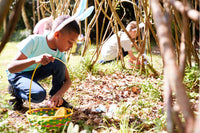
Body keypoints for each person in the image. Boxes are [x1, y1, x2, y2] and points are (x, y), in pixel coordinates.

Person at [6, 15, 80, 110]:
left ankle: (55, 100)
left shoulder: (59, 53)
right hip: (18, 74)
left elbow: (68, 80)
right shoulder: (34, 41)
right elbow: (11, 68)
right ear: (57, 35)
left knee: (59, 64)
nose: (71, 47)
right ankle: (15, 92)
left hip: (34, 73)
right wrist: (35, 60)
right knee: (39, 95)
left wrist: (59, 94)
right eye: (70, 42)